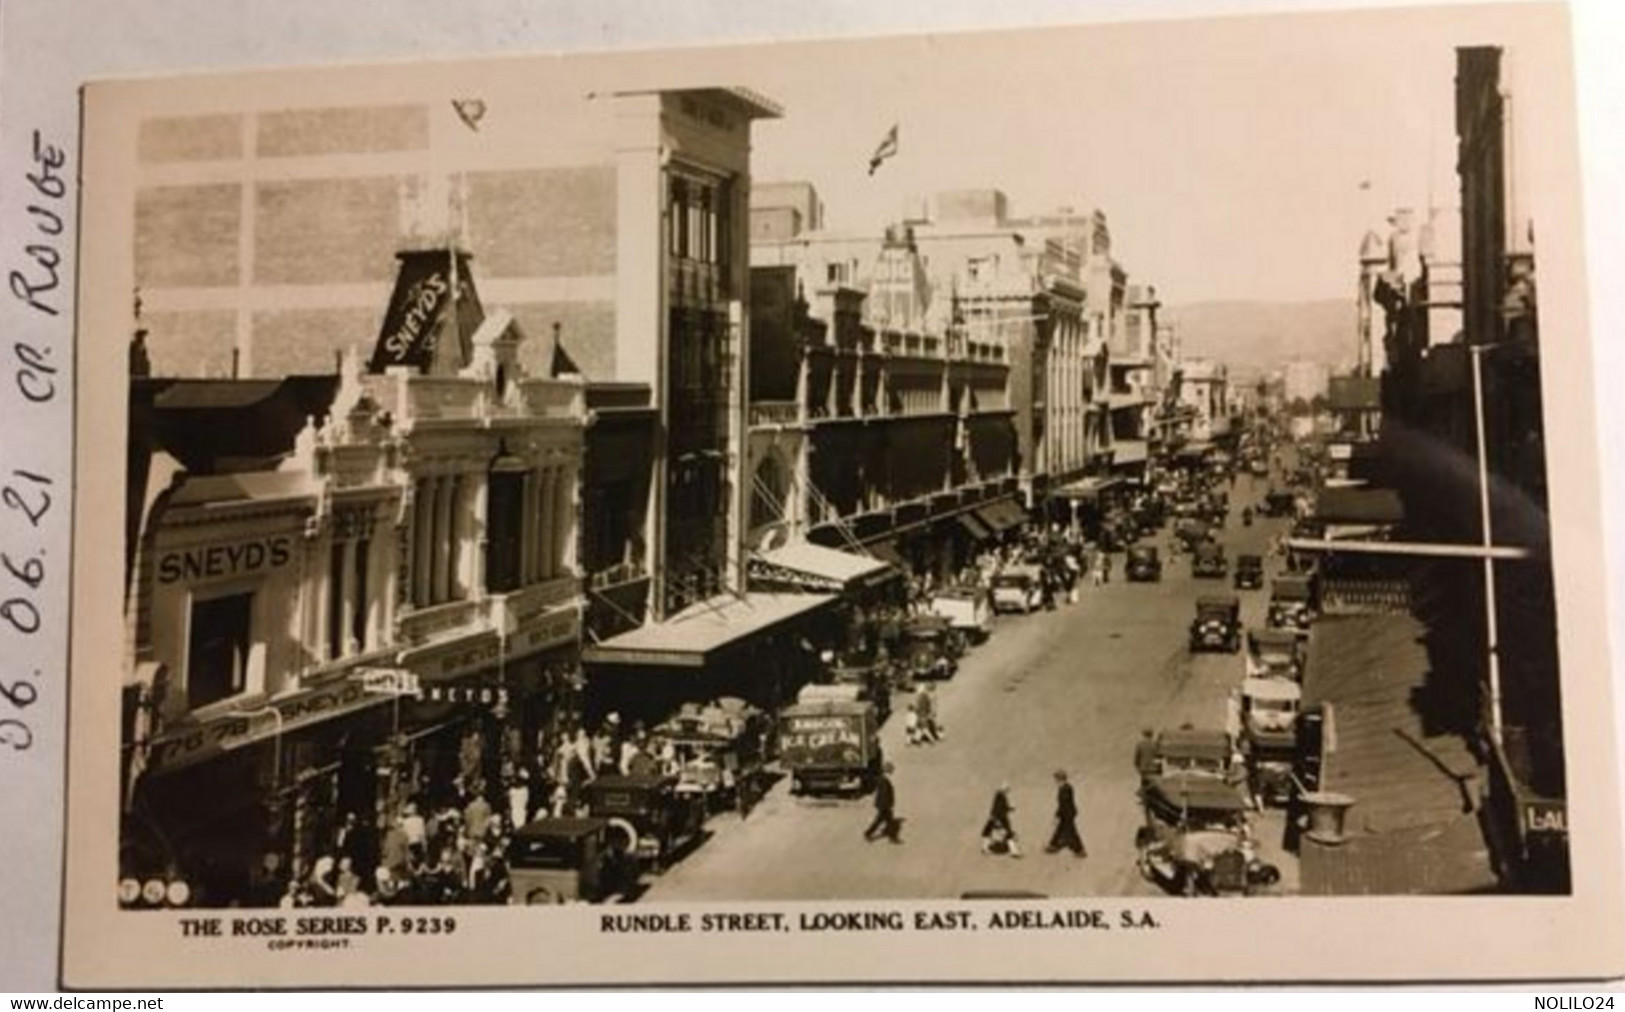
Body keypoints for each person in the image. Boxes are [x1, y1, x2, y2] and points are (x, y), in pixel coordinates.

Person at [1046, 770, 1087, 856]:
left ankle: (1079, 850)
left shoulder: (1066, 789)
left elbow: (1065, 805)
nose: (1056, 781)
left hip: (1068, 815)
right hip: (1066, 814)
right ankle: (1053, 845)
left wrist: (1058, 815)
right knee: (1060, 830)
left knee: (1072, 832)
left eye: (1057, 779)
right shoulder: (1064, 788)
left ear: (1061, 779)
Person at [864, 762, 901, 844]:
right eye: (891, 770)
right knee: (885, 821)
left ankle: (869, 834)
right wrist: (886, 805)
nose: (892, 771)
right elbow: (884, 794)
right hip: (884, 804)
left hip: (883, 804)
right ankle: (892, 838)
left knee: (883, 821)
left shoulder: (883, 779)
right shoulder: (883, 780)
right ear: (887, 771)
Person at [981, 783, 1022, 857]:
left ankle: (985, 848)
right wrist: (1009, 809)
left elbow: (999, 808)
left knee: (987, 832)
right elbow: (1000, 809)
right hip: (1000, 819)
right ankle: (1014, 851)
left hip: (994, 818)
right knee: (1009, 835)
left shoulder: (998, 796)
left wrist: (1009, 808)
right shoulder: (1001, 797)